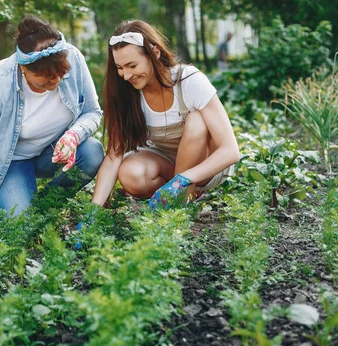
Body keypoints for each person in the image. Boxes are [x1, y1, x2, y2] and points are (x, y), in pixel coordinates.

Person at [0, 16, 104, 232]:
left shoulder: (74, 58)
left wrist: (74, 135)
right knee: (22, 224)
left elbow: (92, 112)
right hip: (12, 161)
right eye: (46, 77)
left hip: (52, 153)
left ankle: (47, 204)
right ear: (24, 68)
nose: (56, 81)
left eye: (60, 74)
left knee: (92, 152)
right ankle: (26, 207)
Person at [91, 20, 239, 209]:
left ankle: (182, 197)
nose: (126, 75)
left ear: (155, 53)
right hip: (165, 161)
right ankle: (169, 198)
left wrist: (184, 179)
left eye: (132, 66)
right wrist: (93, 210)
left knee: (196, 120)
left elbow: (230, 151)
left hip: (203, 168)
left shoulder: (189, 81)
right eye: (120, 68)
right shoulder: (126, 92)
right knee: (130, 173)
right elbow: (113, 156)